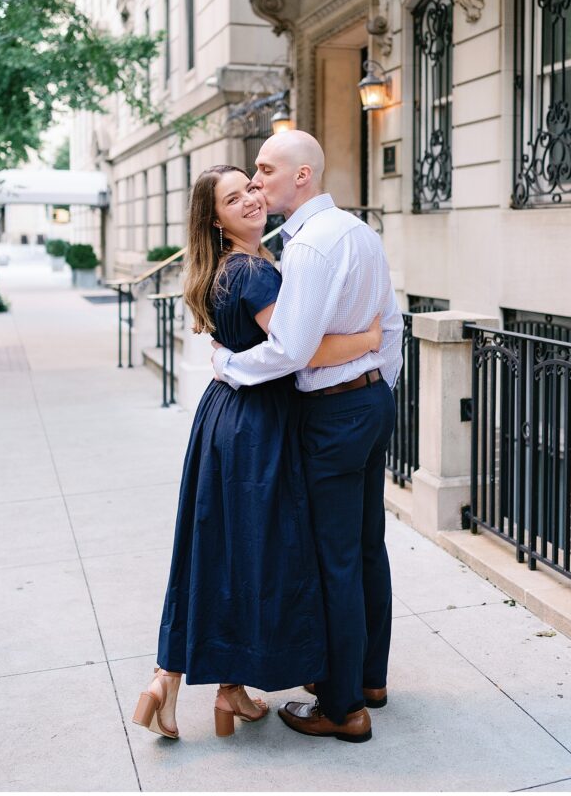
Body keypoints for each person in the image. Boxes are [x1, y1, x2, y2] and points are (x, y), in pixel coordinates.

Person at [132, 165, 383, 740]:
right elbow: (299, 352)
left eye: (250, 186)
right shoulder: (254, 271)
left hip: (222, 416)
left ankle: (195, 684)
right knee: (256, 554)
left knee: (219, 549)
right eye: (232, 197)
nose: (249, 198)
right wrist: (371, 339)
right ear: (216, 221)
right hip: (258, 425)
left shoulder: (220, 269)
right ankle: (224, 686)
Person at [212, 131, 404, 743]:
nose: (255, 180)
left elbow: (291, 349)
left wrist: (230, 366)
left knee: (336, 559)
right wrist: (377, 382)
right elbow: (390, 322)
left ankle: (344, 707)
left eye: (264, 170)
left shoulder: (312, 247)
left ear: (301, 176)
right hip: (371, 403)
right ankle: (368, 675)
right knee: (367, 545)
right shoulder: (358, 232)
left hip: (336, 414)